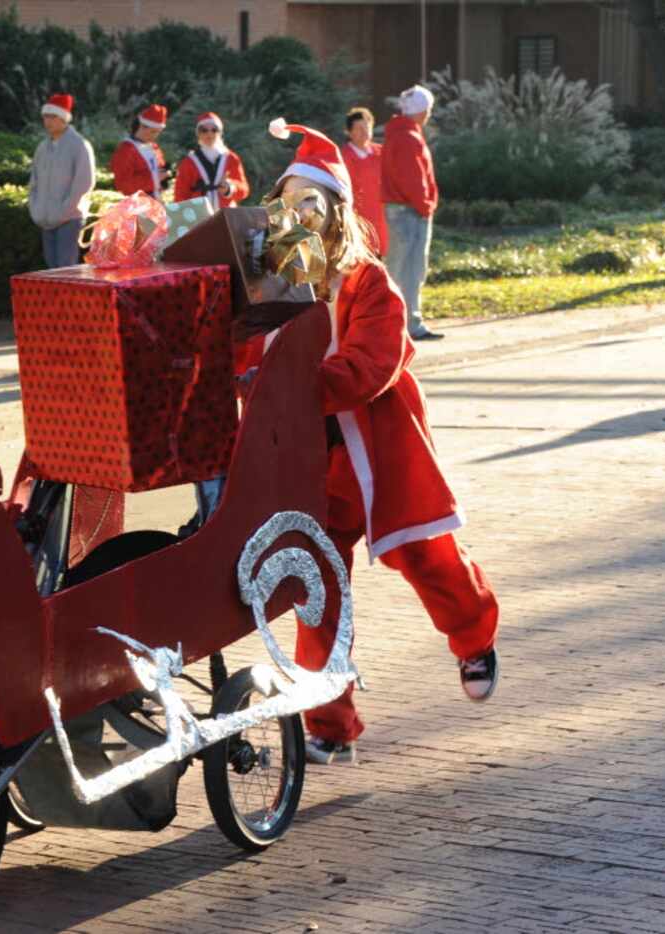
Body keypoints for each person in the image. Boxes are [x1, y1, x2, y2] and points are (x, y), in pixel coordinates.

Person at [244, 118, 500, 765]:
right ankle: (330, 719)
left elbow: (369, 366)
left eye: (312, 203)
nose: (299, 216)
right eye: (289, 204)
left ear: (335, 213)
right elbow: (246, 354)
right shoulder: (277, 286)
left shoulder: (369, 283)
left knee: (427, 558)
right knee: (318, 582)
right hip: (317, 463)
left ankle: (474, 635)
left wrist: (294, 384)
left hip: (381, 458)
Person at [382, 85, 441, 341]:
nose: (428, 114)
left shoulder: (398, 134)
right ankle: (409, 325)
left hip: (401, 210)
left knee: (398, 267)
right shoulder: (409, 138)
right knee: (411, 270)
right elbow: (414, 180)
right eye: (427, 109)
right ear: (420, 110)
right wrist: (426, 206)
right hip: (410, 213)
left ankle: (392, 323)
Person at [27, 93, 95, 269]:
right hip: (45, 220)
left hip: (70, 219)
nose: (47, 121)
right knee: (51, 269)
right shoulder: (42, 148)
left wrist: (63, 212)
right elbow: (33, 183)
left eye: (52, 116)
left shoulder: (80, 145)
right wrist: (36, 210)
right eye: (45, 117)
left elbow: (84, 184)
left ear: (64, 119)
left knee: (66, 270)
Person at [173, 112, 249, 210]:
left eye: (214, 130)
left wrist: (229, 188)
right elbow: (180, 194)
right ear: (198, 134)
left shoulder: (231, 158)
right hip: (199, 215)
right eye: (204, 130)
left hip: (226, 215)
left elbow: (244, 189)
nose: (209, 133)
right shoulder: (189, 162)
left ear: (220, 133)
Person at [341, 106, 387, 256]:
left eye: (367, 127)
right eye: (359, 128)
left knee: (379, 259)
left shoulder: (381, 152)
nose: (365, 132)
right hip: (357, 217)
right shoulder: (343, 157)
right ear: (349, 132)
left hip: (381, 217)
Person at [110, 104, 170, 198]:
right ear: (142, 126)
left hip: (155, 202)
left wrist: (164, 177)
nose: (155, 136)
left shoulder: (153, 147)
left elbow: (159, 170)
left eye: (158, 132)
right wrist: (154, 178)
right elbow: (122, 185)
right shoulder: (126, 150)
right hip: (136, 205)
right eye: (153, 132)